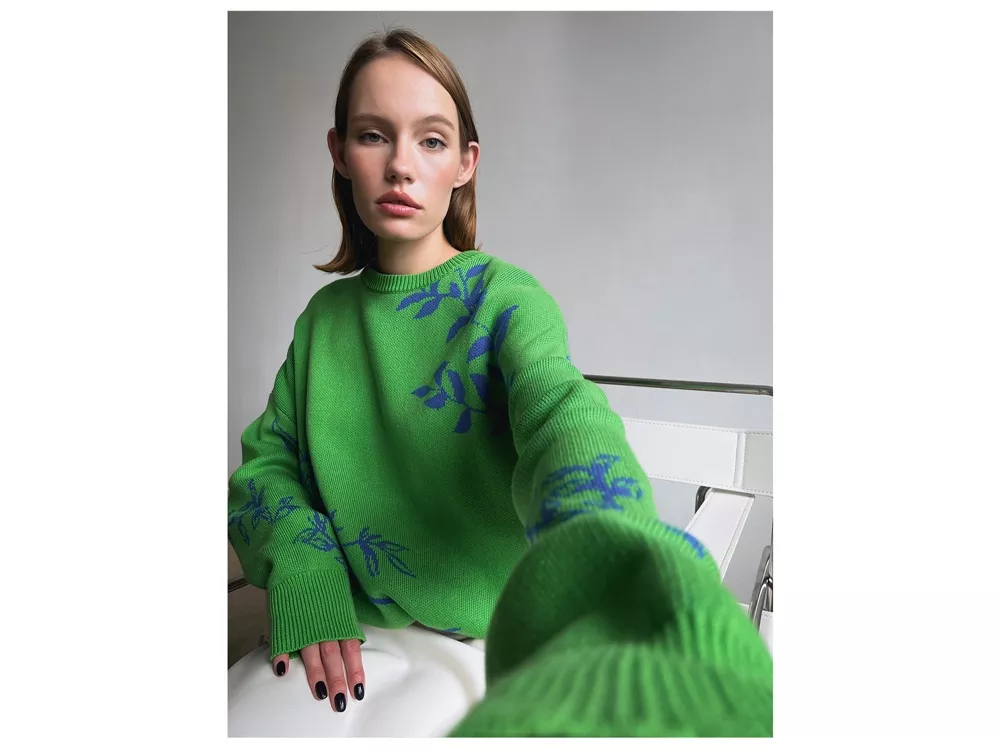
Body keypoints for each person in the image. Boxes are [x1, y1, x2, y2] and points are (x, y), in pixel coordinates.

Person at [227, 28, 773, 736]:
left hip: (493, 644)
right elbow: (267, 465)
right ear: (340, 152)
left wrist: (615, 564)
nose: (400, 166)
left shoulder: (506, 300)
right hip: (346, 635)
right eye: (373, 135)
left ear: (465, 163)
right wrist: (306, 570)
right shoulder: (322, 321)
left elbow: (562, 415)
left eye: (431, 140)